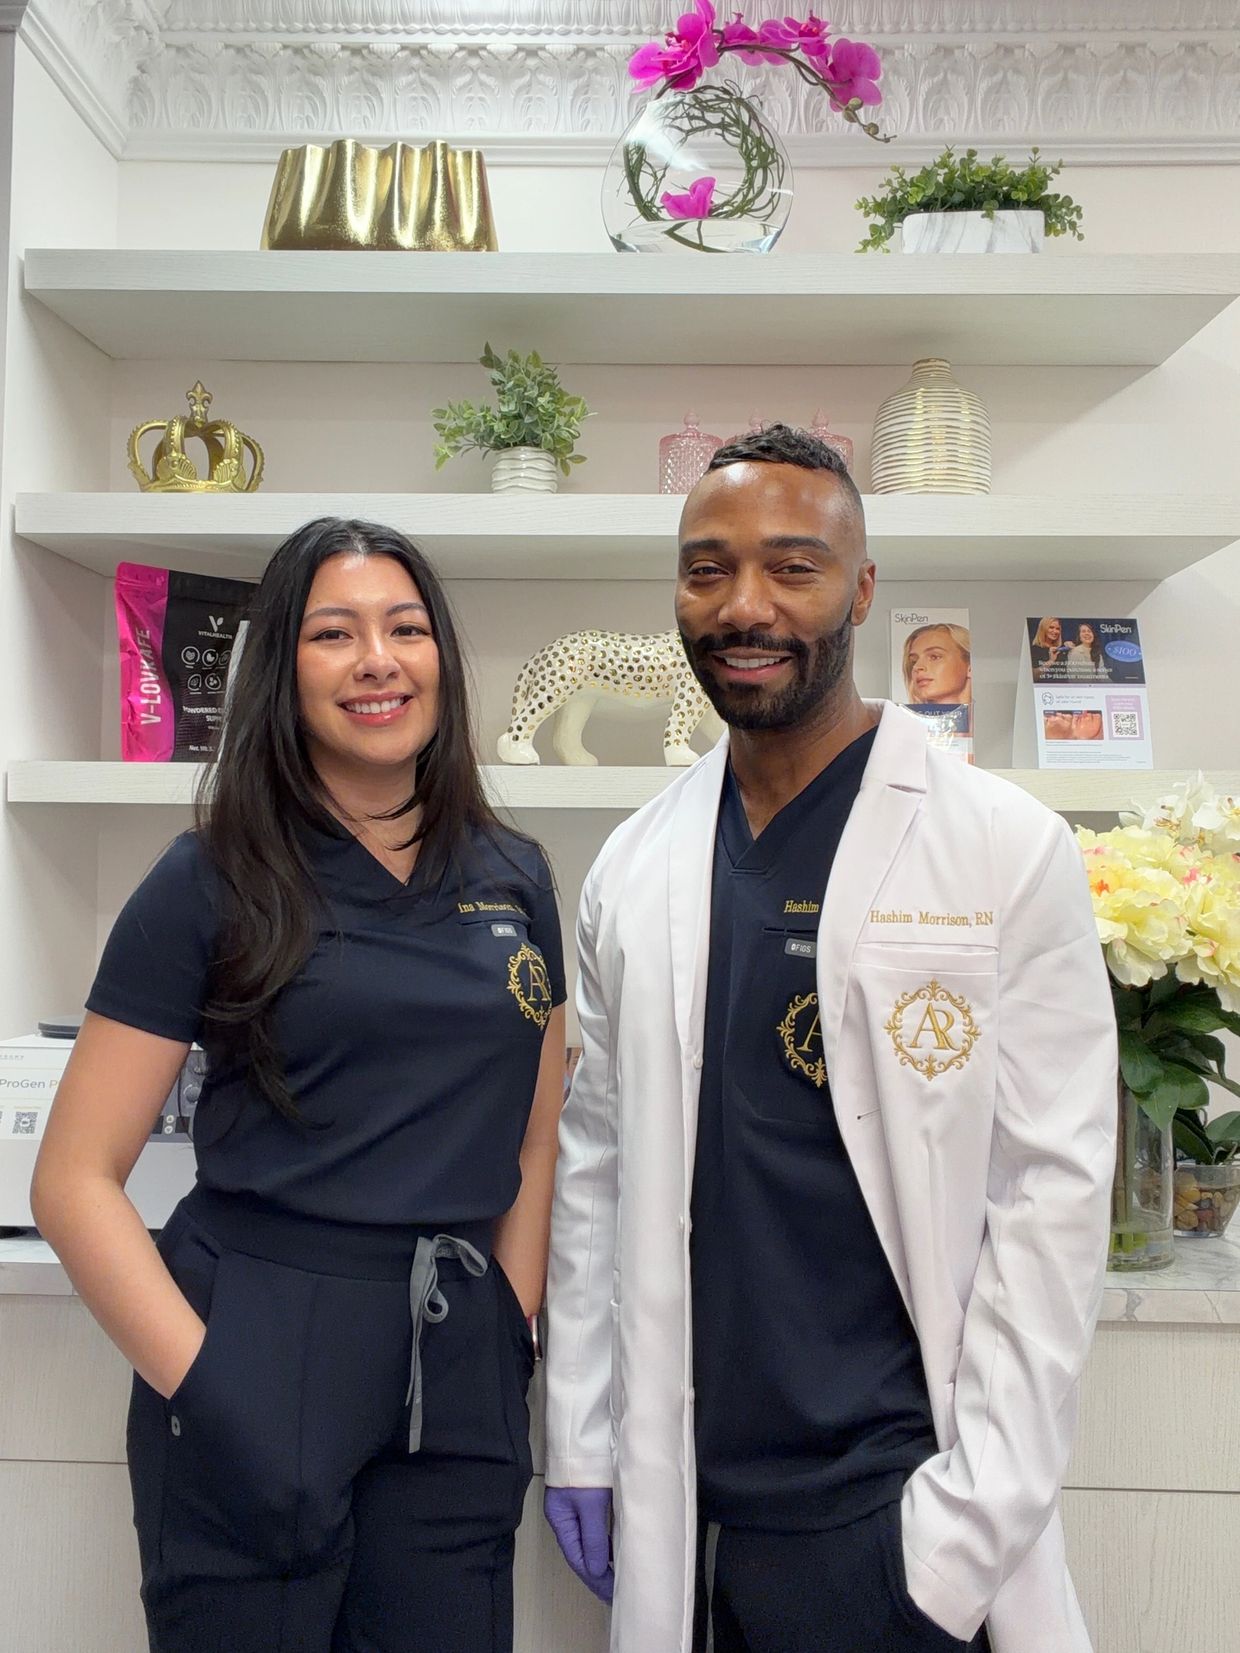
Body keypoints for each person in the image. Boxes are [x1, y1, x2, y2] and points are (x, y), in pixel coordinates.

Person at [542, 426, 1116, 1653]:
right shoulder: (631, 865)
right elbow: (596, 1164)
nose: (744, 606)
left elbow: (1051, 1196)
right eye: (707, 570)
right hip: (688, 1504)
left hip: (896, 1505)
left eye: (791, 568)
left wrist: (959, 1533)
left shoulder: (1006, 848)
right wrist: (582, 1436)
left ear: (861, 592)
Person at [31, 517, 566, 1653]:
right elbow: (74, 1180)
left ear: (441, 658)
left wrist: (507, 1319)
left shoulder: (515, 873)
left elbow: (536, 1135)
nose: (379, 659)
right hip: (263, 1333)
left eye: (406, 627)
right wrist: (213, 1390)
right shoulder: (209, 877)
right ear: (284, 666)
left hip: (455, 1358)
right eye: (336, 632)